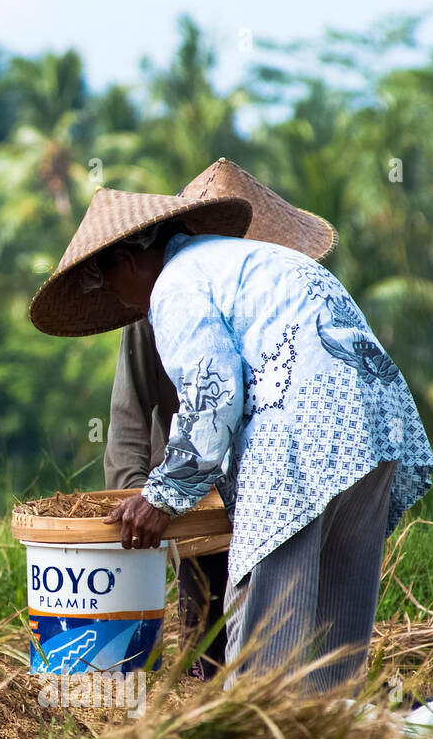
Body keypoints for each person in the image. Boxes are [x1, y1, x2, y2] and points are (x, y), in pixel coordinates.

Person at [30, 188, 433, 694]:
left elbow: (211, 393)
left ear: (127, 259)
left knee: (265, 638)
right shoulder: (251, 260)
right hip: (372, 432)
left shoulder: (175, 286)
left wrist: (161, 496)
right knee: (335, 630)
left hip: (298, 437)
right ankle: (334, 735)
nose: (113, 296)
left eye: (105, 280)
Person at [104, 159, 338, 680]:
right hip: (196, 494)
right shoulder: (160, 304)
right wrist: (140, 505)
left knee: (293, 631)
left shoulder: (281, 294)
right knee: (208, 634)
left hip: (277, 476)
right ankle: (224, 727)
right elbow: (130, 419)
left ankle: (290, 720)